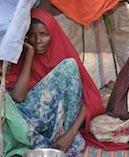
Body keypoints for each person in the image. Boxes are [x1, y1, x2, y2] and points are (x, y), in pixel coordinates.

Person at [5, 8, 105, 157]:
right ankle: (43, 144)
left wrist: (70, 134)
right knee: (7, 105)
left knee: (70, 66)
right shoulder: (21, 58)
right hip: (30, 124)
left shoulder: (64, 57)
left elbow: (89, 99)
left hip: (60, 128)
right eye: (32, 35)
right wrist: (29, 55)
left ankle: (62, 140)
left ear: (52, 33)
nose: (38, 40)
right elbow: (18, 98)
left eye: (43, 34)